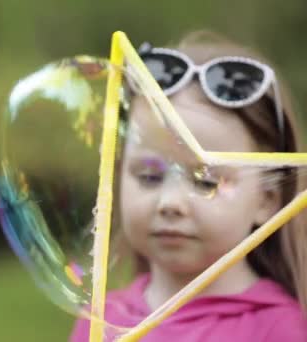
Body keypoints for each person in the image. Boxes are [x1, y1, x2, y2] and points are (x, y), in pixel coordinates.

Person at [70, 30, 307, 341]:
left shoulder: (280, 328)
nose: (169, 202)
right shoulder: (102, 319)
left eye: (205, 180)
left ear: (267, 200)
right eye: (149, 177)